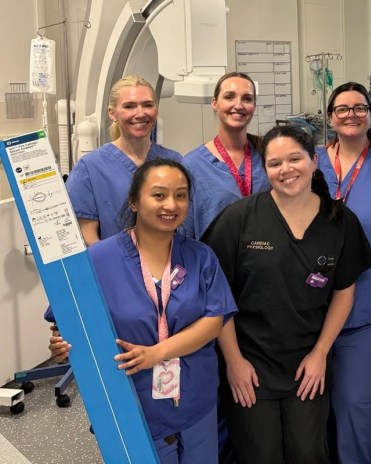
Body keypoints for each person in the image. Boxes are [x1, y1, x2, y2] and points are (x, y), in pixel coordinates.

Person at [202, 124, 371, 463]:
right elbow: (216, 295)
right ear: (265, 170)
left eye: (295, 159)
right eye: (275, 163)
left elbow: (344, 292)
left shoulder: (339, 221)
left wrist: (320, 354)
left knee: (308, 452)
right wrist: (234, 362)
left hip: (307, 364)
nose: (286, 170)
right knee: (260, 455)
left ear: (314, 161)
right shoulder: (239, 219)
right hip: (249, 364)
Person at [50, 158, 237, 463]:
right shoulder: (98, 260)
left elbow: (214, 320)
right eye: (159, 195)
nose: (171, 205)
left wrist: (157, 353)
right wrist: (63, 344)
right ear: (134, 201)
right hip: (129, 401)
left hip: (195, 398)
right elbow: (69, 322)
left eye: (180, 195)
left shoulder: (201, 256)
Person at [315, 82, 371, 464]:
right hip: (313, 302)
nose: (350, 114)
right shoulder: (310, 162)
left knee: (353, 398)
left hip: (368, 304)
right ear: (329, 117)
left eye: (359, 108)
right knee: (312, 398)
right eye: (342, 108)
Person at [65, 75, 184, 245]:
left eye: (147, 105)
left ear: (156, 110)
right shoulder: (91, 168)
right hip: (112, 260)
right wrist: (118, 260)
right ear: (112, 113)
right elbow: (88, 237)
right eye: (129, 106)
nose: (140, 113)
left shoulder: (174, 162)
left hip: (169, 259)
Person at [183, 72, 270, 239]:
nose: (238, 105)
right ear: (214, 103)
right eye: (229, 97)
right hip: (214, 255)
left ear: (254, 106)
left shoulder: (267, 157)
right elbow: (185, 233)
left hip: (265, 252)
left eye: (247, 99)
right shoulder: (192, 165)